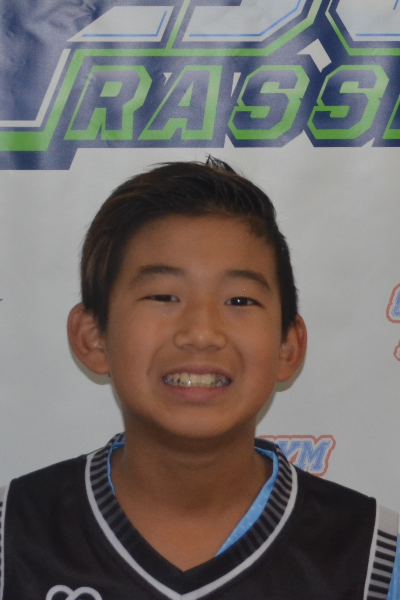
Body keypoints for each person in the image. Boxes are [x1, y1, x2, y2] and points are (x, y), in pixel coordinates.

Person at [0, 158, 398, 599]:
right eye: (163, 296)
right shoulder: (10, 536)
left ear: (288, 346)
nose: (202, 333)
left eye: (240, 300)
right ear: (93, 338)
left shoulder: (373, 558)